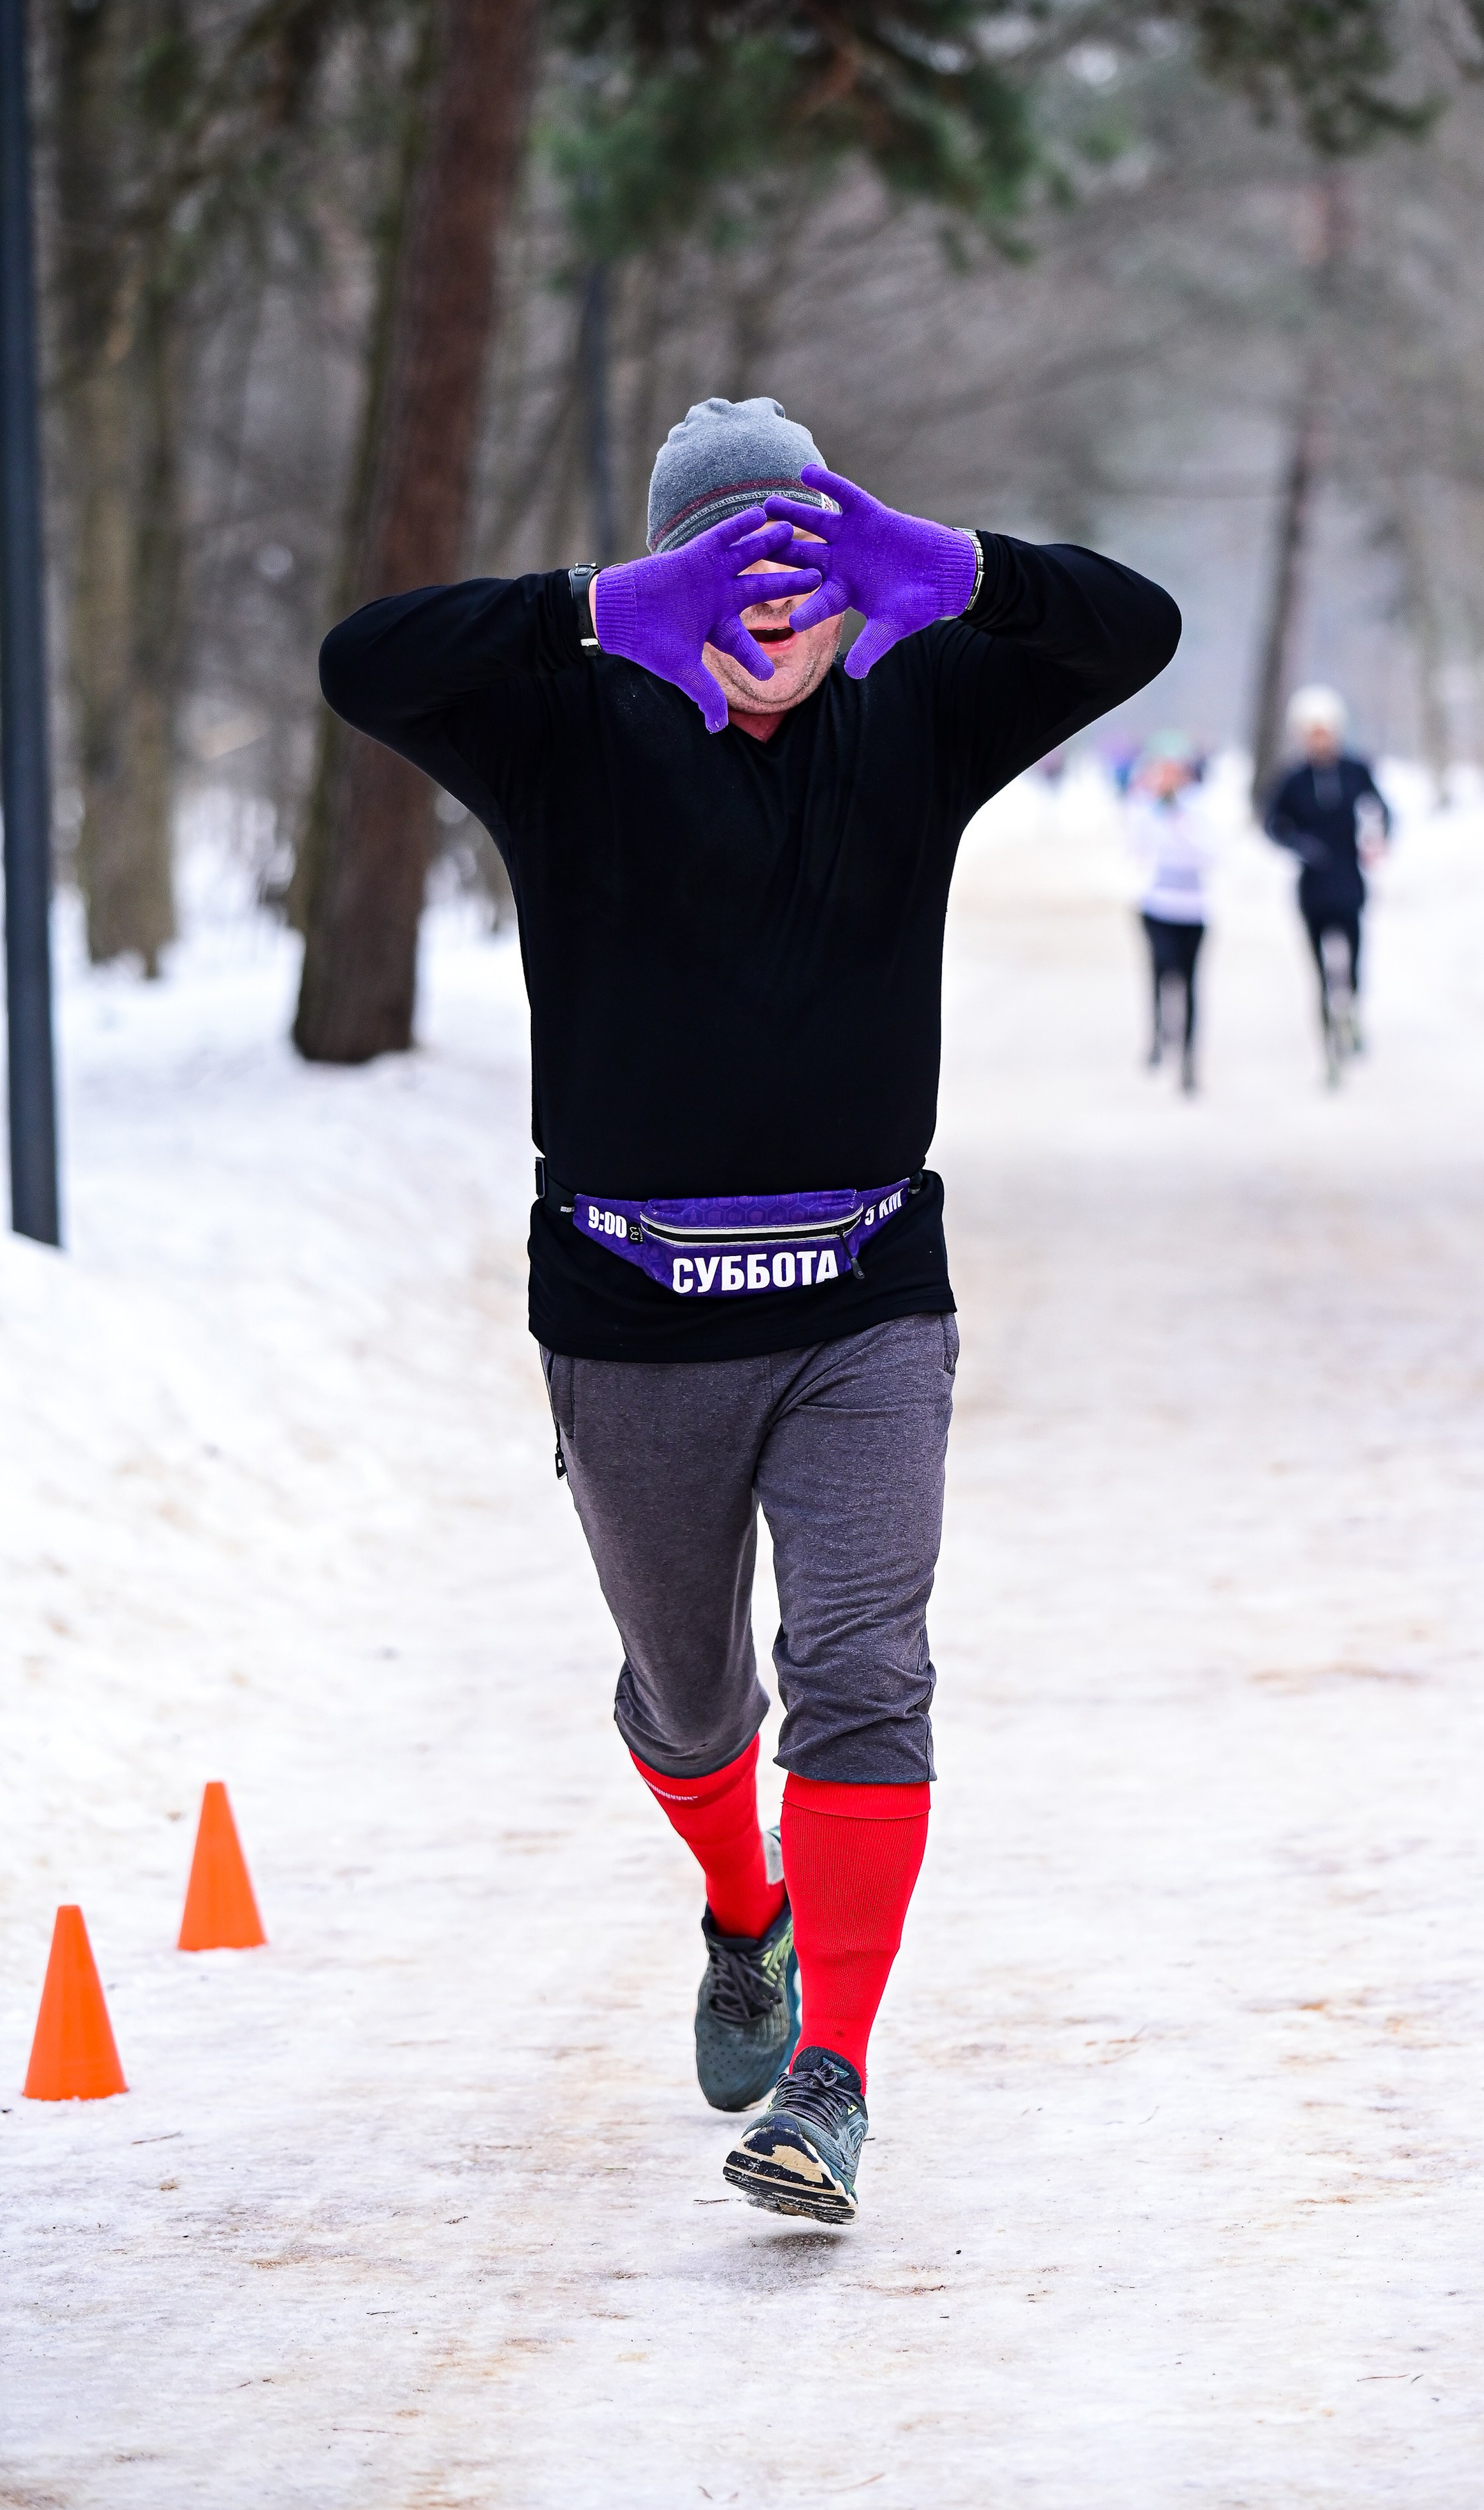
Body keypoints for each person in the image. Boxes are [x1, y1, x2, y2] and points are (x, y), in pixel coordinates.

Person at [318, 395, 1180, 2226]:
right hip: (629, 1313)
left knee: (863, 1681)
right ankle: (742, 1917)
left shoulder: (921, 709)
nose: (772, 610)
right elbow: (363, 664)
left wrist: (952, 572)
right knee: (696, 1708)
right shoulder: (567, 721)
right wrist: (584, 608)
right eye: (732, 572)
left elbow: (1137, 628)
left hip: (870, 1293)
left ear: (846, 574)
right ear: (669, 580)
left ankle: (834, 2079)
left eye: (804, 567)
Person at [1262, 684, 1391, 1083]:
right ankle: (1328, 1053)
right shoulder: (1294, 779)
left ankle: (1351, 1013)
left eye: (1326, 731)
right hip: (1313, 886)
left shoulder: (1355, 771)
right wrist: (1298, 845)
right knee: (1319, 972)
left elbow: (1382, 810)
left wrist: (1379, 838)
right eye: (1312, 732)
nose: (1320, 739)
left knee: (1352, 960)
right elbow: (1272, 824)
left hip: (1349, 880)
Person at [1124, 733, 1212, 1092]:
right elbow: (1135, 851)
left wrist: (1180, 819)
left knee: (1190, 981)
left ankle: (1190, 1055)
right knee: (1161, 970)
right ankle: (1159, 1034)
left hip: (1193, 909)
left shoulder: (1201, 808)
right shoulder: (1144, 807)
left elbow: (1210, 854)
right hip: (1157, 905)